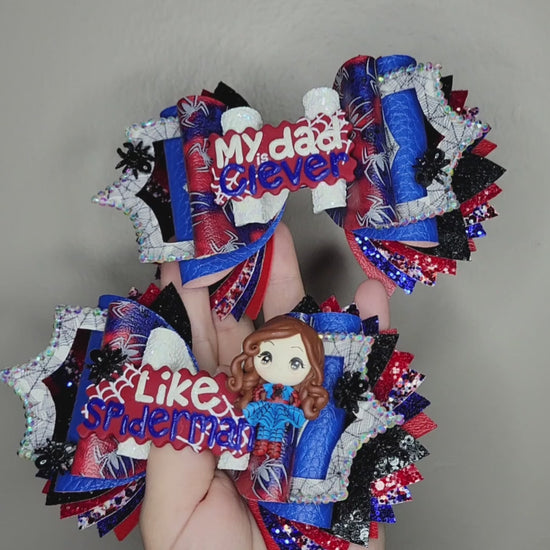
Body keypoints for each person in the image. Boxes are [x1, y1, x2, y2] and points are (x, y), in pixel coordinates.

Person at [140, 223, 390, 550]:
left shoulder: (297, 398)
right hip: (254, 446)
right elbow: (250, 409)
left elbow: (298, 416)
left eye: (295, 362)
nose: (278, 366)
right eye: (267, 356)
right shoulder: (252, 392)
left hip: (277, 453)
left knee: (272, 454)